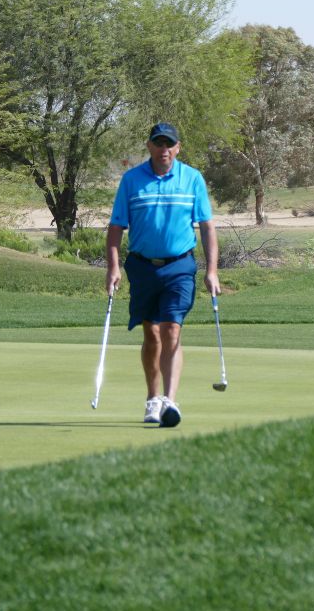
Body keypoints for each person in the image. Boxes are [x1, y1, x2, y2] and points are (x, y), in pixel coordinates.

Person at [105, 122, 218, 428]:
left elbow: (207, 227)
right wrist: (113, 267)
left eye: (169, 144)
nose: (164, 149)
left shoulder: (191, 179)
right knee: (151, 334)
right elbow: (116, 228)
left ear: (177, 147)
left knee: (171, 329)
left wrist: (211, 270)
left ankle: (169, 400)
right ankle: (152, 398)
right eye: (159, 143)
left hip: (180, 265)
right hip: (142, 266)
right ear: (150, 146)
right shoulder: (132, 181)